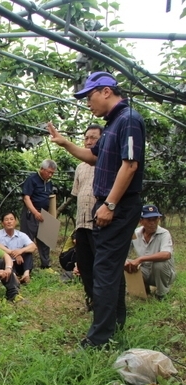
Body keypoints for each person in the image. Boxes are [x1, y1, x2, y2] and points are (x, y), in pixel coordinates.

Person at [48, 70, 145, 348]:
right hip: (111, 205)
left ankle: (99, 338)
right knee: (108, 269)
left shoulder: (127, 120)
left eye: (89, 97)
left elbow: (130, 165)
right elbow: (92, 157)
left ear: (105, 91)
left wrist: (110, 204)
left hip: (119, 206)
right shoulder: (114, 124)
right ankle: (114, 325)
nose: (88, 103)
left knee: (103, 271)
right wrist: (66, 143)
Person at [71, 125, 103, 309]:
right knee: (84, 265)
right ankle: (92, 299)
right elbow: (78, 194)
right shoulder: (80, 167)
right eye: (86, 138)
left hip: (99, 223)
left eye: (94, 138)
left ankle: (106, 301)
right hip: (82, 223)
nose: (89, 141)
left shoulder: (105, 163)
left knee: (102, 265)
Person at [125, 205, 175, 299]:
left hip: (164, 273)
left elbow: (166, 254)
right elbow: (125, 251)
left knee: (159, 264)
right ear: (140, 221)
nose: (152, 223)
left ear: (159, 219)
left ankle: (162, 293)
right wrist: (127, 262)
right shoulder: (136, 233)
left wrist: (140, 259)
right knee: (127, 263)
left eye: (155, 219)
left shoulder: (164, 233)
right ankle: (143, 289)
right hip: (145, 270)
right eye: (149, 220)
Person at [20, 159, 57, 269]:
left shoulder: (49, 182)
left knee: (45, 240)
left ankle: (45, 266)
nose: (50, 175)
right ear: (42, 169)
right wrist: (35, 212)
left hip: (44, 214)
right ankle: (26, 267)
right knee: (28, 240)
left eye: (52, 173)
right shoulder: (32, 179)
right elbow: (26, 198)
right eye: (49, 172)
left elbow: (50, 198)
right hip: (31, 213)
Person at [0, 212, 37, 284]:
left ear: (15, 222)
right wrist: (13, 253)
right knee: (2, 257)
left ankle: (26, 274)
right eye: (6, 220)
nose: (9, 222)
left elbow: (33, 246)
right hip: (7, 265)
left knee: (28, 253)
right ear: (2, 223)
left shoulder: (21, 235)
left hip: (19, 263)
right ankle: (13, 276)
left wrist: (20, 251)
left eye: (11, 219)